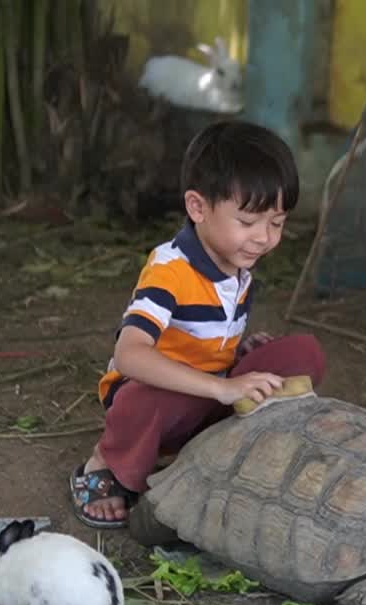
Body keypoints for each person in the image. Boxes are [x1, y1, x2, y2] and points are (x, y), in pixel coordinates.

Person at [69, 120, 327, 529]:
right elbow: (129, 354)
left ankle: (216, 449)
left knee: (303, 353)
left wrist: (239, 354)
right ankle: (107, 463)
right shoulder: (170, 270)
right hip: (164, 398)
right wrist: (223, 387)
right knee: (142, 399)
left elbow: (210, 337)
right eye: (248, 222)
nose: (264, 237)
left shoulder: (237, 263)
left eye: (276, 223)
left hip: (213, 390)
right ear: (197, 207)